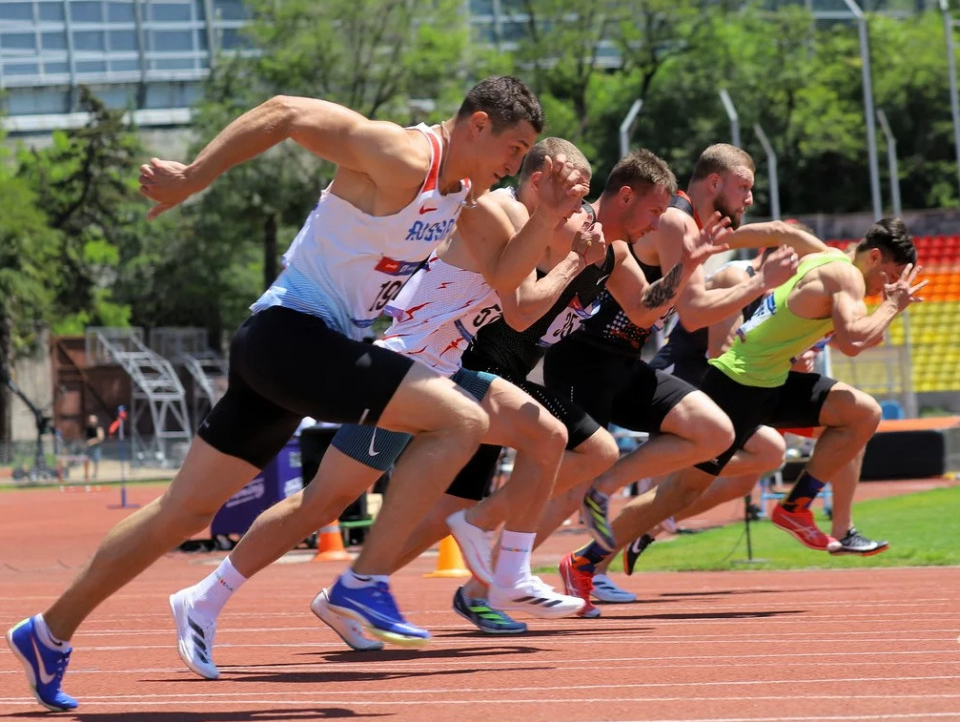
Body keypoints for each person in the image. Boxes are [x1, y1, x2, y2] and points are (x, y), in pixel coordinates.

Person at [5, 76, 554, 713]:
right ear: (478, 125)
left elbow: (511, 284)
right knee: (458, 419)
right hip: (291, 335)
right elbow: (287, 111)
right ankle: (364, 583)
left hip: (296, 355)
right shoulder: (403, 154)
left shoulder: (461, 192)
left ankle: (46, 632)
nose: (517, 165)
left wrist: (546, 216)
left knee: (181, 515)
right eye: (514, 149)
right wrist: (194, 176)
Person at [166, 137, 596, 678]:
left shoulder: (527, 226)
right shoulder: (497, 211)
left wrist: (576, 251)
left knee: (547, 435)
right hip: (404, 367)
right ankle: (204, 597)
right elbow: (520, 312)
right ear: (539, 180)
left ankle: (506, 570)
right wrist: (578, 259)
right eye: (574, 193)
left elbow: (526, 299)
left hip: (446, 371)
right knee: (322, 503)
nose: (579, 208)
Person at [385, 148, 735, 622]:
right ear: (625, 196)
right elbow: (522, 303)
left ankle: (365, 583)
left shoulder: (614, 251)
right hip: (478, 365)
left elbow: (645, 309)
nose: (657, 224)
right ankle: (481, 556)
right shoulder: (574, 228)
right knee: (588, 451)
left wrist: (686, 267)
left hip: (504, 376)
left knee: (443, 514)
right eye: (654, 211)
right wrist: (571, 255)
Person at [564, 217, 924, 601]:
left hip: (771, 382)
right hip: (736, 386)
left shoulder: (821, 254)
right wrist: (891, 306)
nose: (889, 287)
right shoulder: (847, 277)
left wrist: (718, 240)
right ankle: (586, 561)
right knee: (678, 493)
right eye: (890, 277)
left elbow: (780, 233)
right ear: (873, 257)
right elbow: (853, 342)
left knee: (862, 412)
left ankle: (796, 507)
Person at [544, 144, 813, 614]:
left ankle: (598, 504)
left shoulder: (691, 228)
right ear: (715, 183)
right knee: (565, 481)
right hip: (585, 357)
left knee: (713, 433)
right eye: (744, 186)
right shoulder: (675, 221)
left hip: (625, 361)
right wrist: (759, 282)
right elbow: (693, 316)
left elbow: (676, 305)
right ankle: (502, 576)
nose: (749, 197)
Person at [82, 415, 104, 482]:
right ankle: (86, 474)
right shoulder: (88, 428)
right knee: (86, 460)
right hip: (88, 447)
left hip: (96, 447)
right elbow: (85, 437)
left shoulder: (98, 428)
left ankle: (95, 474)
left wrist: (92, 441)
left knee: (96, 461)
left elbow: (100, 438)